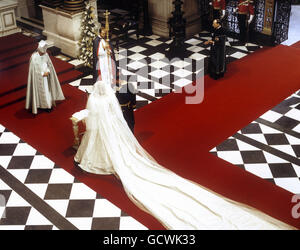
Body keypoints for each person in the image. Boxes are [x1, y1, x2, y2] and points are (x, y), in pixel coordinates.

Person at [74, 81, 294, 230]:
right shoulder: (108, 98)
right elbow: (118, 114)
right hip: (114, 127)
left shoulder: (94, 100)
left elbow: (93, 118)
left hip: (105, 129)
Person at [25, 40, 65, 114]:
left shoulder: (45, 54)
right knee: (40, 92)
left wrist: (48, 71)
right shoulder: (34, 57)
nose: (44, 53)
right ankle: (41, 105)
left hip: (46, 77)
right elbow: (34, 69)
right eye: (42, 52)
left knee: (47, 90)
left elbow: (48, 65)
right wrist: (42, 73)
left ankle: (48, 105)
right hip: (38, 78)